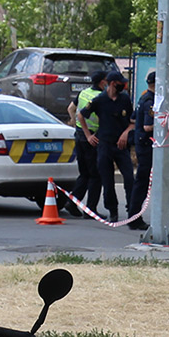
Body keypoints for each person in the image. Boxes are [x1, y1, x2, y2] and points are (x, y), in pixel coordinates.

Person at [80, 70, 135, 222]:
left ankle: (133, 209)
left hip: (121, 145)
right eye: (119, 84)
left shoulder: (124, 99)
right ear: (112, 84)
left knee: (129, 178)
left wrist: (126, 133)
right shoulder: (100, 100)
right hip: (104, 144)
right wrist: (88, 135)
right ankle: (113, 210)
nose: (122, 86)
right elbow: (81, 115)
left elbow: (132, 122)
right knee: (107, 180)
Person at [66, 68, 109, 216]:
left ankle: (72, 203)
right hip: (93, 138)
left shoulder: (84, 93)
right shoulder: (102, 97)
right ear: (103, 82)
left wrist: (73, 121)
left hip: (79, 135)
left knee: (84, 174)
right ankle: (91, 210)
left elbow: (71, 108)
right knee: (95, 175)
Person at [127, 70, 157, 231]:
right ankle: (134, 218)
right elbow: (147, 126)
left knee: (151, 182)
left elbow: (133, 117)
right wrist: (163, 123)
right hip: (146, 145)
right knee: (143, 182)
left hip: (143, 145)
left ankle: (165, 215)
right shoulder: (150, 101)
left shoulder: (144, 97)